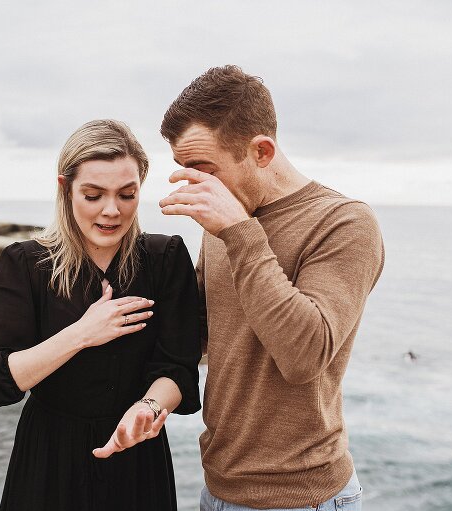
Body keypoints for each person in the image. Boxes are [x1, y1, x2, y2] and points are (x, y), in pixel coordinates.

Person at [158, 66, 385, 511]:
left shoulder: (345, 223)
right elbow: (199, 336)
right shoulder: (225, 219)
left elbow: (304, 356)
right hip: (218, 487)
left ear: (261, 151)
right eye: (184, 170)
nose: (194, 185)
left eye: (204, 169)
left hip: (303, 498)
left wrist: (240, 232)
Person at [0, 119, 202, 511]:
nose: (112, 211)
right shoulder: (25, 263)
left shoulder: (166, 258)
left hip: (138, 460)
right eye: (93, 195)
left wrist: (147, 410)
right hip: (47, 463)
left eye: (127, 195)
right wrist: (81, 334)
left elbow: (178, 368)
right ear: (65, 189)